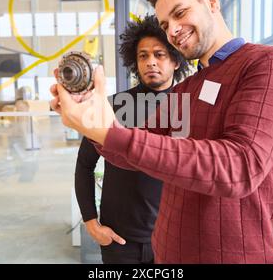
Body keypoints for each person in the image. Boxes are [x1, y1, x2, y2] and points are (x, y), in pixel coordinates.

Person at [51, 0, 273, 264]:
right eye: (165, 24)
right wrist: (93, 119)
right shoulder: (186, 90)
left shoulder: (268, 64)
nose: (173, 30)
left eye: (180, 13)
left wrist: (109, 132)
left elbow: (241, 167)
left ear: (211, 1)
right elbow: (132, 152)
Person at [74, 15, 188, 264]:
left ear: (176, 60)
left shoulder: (187, 107)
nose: (151, 62)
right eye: (143, 56)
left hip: (172, 238)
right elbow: (84, 165)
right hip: (120, 240)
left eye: (159, 54)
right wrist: (91, 223)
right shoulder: (113, 106)